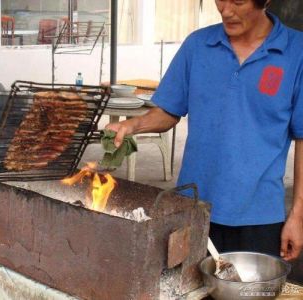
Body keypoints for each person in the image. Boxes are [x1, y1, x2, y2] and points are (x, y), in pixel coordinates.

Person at [106, 0, 303, 261]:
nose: (226, 10)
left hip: (259, 218)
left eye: (238, 1)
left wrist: (298, 216)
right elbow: (169, 110)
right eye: (220, 0)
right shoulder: (198, 45)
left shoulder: (296, 52)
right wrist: (132, 125)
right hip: (191, 208)